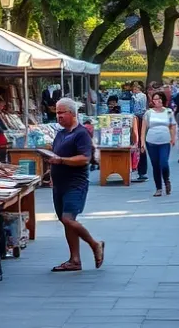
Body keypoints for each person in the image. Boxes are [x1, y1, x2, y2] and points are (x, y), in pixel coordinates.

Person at [45, 99, 105, 272]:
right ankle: (75, 259)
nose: (59, 116)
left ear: (72, 113)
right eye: (57, 112)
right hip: (59, 184)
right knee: (66, 222)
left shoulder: (81, 134)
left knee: (68, 218)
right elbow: (56, 154)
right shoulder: (61, 133)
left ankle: (95, 244)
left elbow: (84, 158)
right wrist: (52, 171)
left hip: (75, 183)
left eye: (62, 112)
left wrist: (61, 160)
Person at [141, 90, 176, 197]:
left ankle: (166, 180)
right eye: (155, 99)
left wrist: (173, 138)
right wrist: (142, 142)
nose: (157, 101)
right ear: (152, 101)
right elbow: (143, 128)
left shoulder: (168, 112)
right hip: (151, 142)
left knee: (164, 163)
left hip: (165, 141)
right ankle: (159, 188)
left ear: (163, 100)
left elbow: (172, 125)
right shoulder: (148, 113)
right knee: (155, 165)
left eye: (159, 98)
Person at [131, 82, 149, 182]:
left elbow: (141, 110)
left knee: (139, 144)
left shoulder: (141, 96)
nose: (134, 90)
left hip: (138, 121)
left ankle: (140, 170)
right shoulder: (133, 96)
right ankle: (139, 170)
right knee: (138, 144)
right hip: (135, 120)